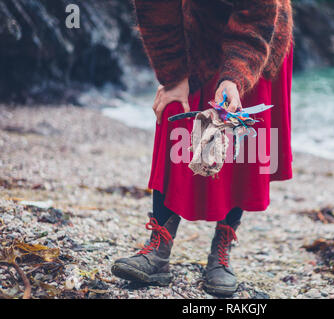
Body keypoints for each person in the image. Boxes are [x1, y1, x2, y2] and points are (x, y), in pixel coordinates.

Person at [111, 0, 293, 296]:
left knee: (241, 141)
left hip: (260, 32)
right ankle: (159, 247)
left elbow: (257, 15)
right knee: (177, 118)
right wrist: (173, 75)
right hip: (194, 24)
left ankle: (222, 248)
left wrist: (233, 78)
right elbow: (156, 9)